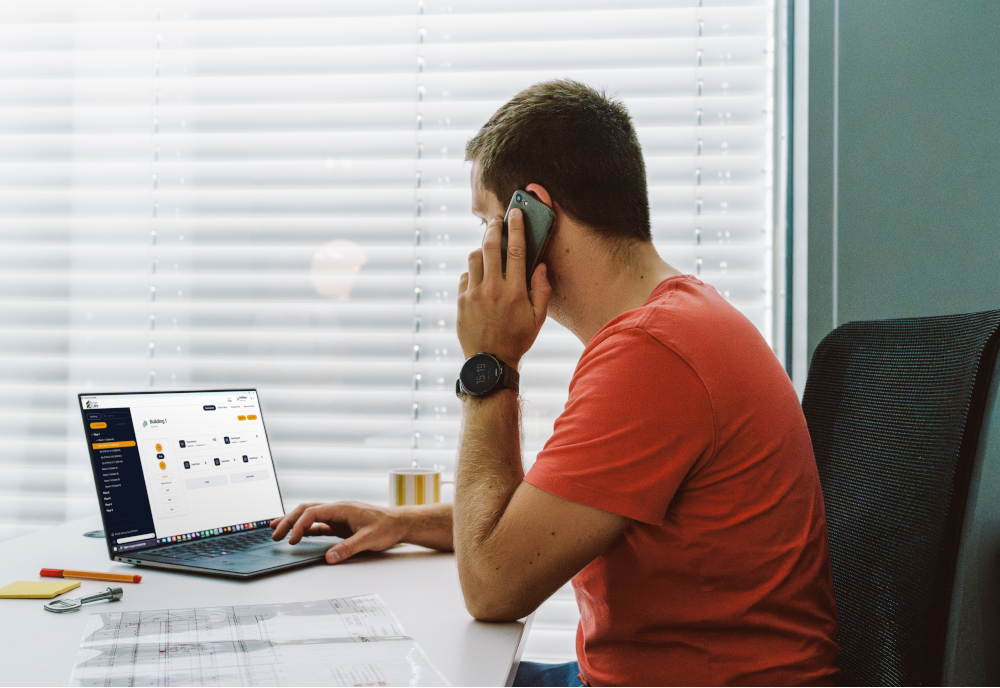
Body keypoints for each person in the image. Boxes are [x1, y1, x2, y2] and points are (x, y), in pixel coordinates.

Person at [271, 80, 840, 687]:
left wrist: (489, 361)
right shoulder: (681, 322)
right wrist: (402, 522)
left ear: (532, 215)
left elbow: (492, 588)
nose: (481, 248)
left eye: (488, 221)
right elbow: (547, 513)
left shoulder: (654, 355)